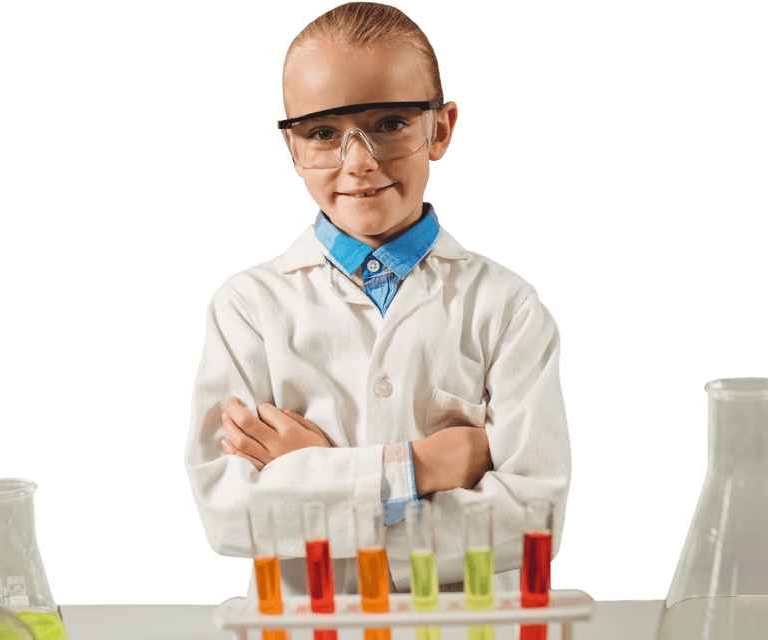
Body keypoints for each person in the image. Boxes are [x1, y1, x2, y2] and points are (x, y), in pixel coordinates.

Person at [184, 1, 571, 598]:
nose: (358, 161)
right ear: (292, 149)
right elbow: (230, 514)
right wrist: (421, 467)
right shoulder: (247, 307)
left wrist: (313, 482)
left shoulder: (510, 307)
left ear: (439, 129)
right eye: (323, 133)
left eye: (390, 123)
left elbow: (533, 519)